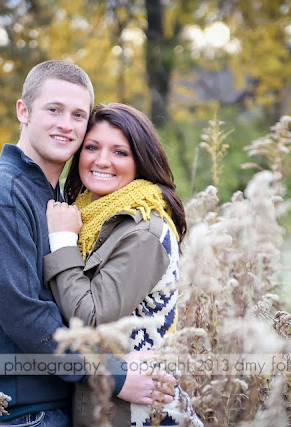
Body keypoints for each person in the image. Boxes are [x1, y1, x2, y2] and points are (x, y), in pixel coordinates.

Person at [0, 61, 174, 426]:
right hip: (11, 413)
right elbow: (26, 316)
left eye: (78, 115)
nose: (66, 125)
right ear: (24, 111)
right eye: (54, 110)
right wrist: (113, 376)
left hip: (50, 406)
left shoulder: (58, 198)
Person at [44, 103, 203, 426]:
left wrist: (61, 240)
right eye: (92, 147)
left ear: (140, 162)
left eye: (120, 152)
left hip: (137, 413)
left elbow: (90, 317)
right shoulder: (88, 218)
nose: (102, 161)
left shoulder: (144, 229)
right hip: (100, 402)